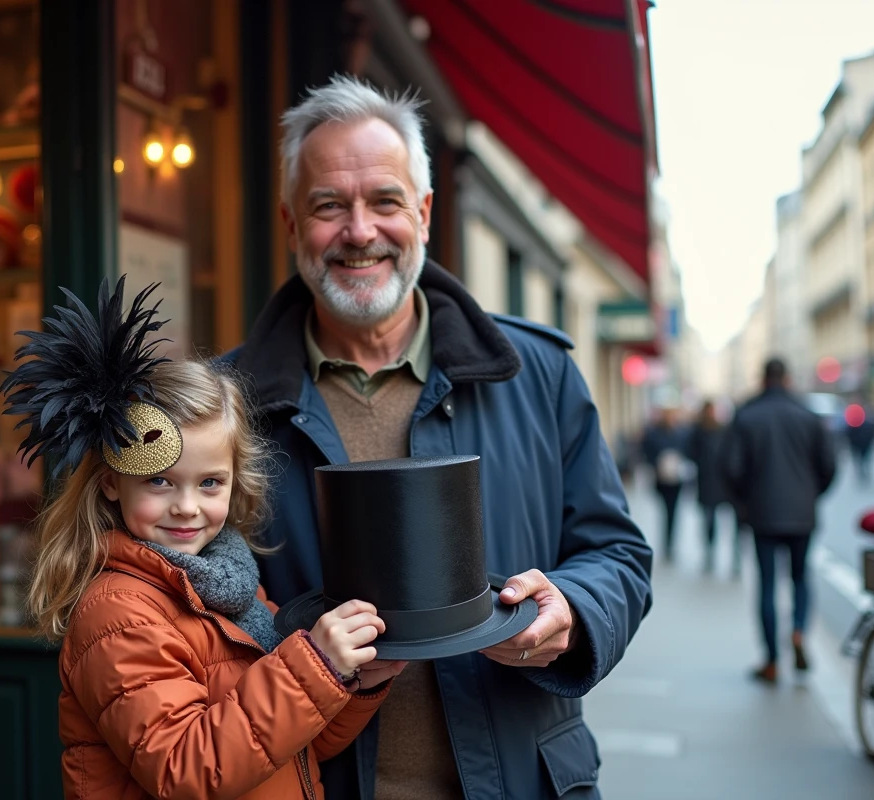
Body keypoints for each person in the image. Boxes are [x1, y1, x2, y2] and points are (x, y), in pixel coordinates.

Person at [228, 76, 653, 800]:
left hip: (521, 780)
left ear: (424, 214)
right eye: (329, 206)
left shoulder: (538, 374)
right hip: (311, 784)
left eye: (385, 201)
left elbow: (617, 554)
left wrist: (574, 609)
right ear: (292, 225)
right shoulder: (223, 407)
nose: (360, 231)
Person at [4, 280, 404, 799]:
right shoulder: (118, 613)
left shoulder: (229, 583)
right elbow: (186, 771)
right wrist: (313, 666)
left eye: (209, 482)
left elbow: (290, 744)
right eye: (159, 481)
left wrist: (350, 682)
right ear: (110, 482)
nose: (188, 506)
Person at [720, 358, 837, 684]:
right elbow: (829, 466)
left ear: (762, 379)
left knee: (767, 585)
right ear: (786, 379)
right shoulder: (808, 416)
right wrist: (810, 495)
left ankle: (771, 660)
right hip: (802, 514)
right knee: (800, 578)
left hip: (763, 514)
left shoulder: (747, 416)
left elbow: (731, 468)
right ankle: (799, 631)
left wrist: (744, 503)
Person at [641, 407, 691, 563]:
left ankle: (670, 544)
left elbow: (688, 451)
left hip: (676, 479)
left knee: (673, 512)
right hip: (662, 479)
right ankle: (666, 543)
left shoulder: (681, 433)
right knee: (665, 512)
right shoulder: (654, 433)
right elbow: (646, 452)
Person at [687, 400, 729, 573]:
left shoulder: (723, 430)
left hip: (722, 483)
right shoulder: (698, 431)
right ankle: (709, 552)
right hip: (706, 482)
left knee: (727, 520)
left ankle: (732, 559)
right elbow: (691, 452)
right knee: (709, 520)